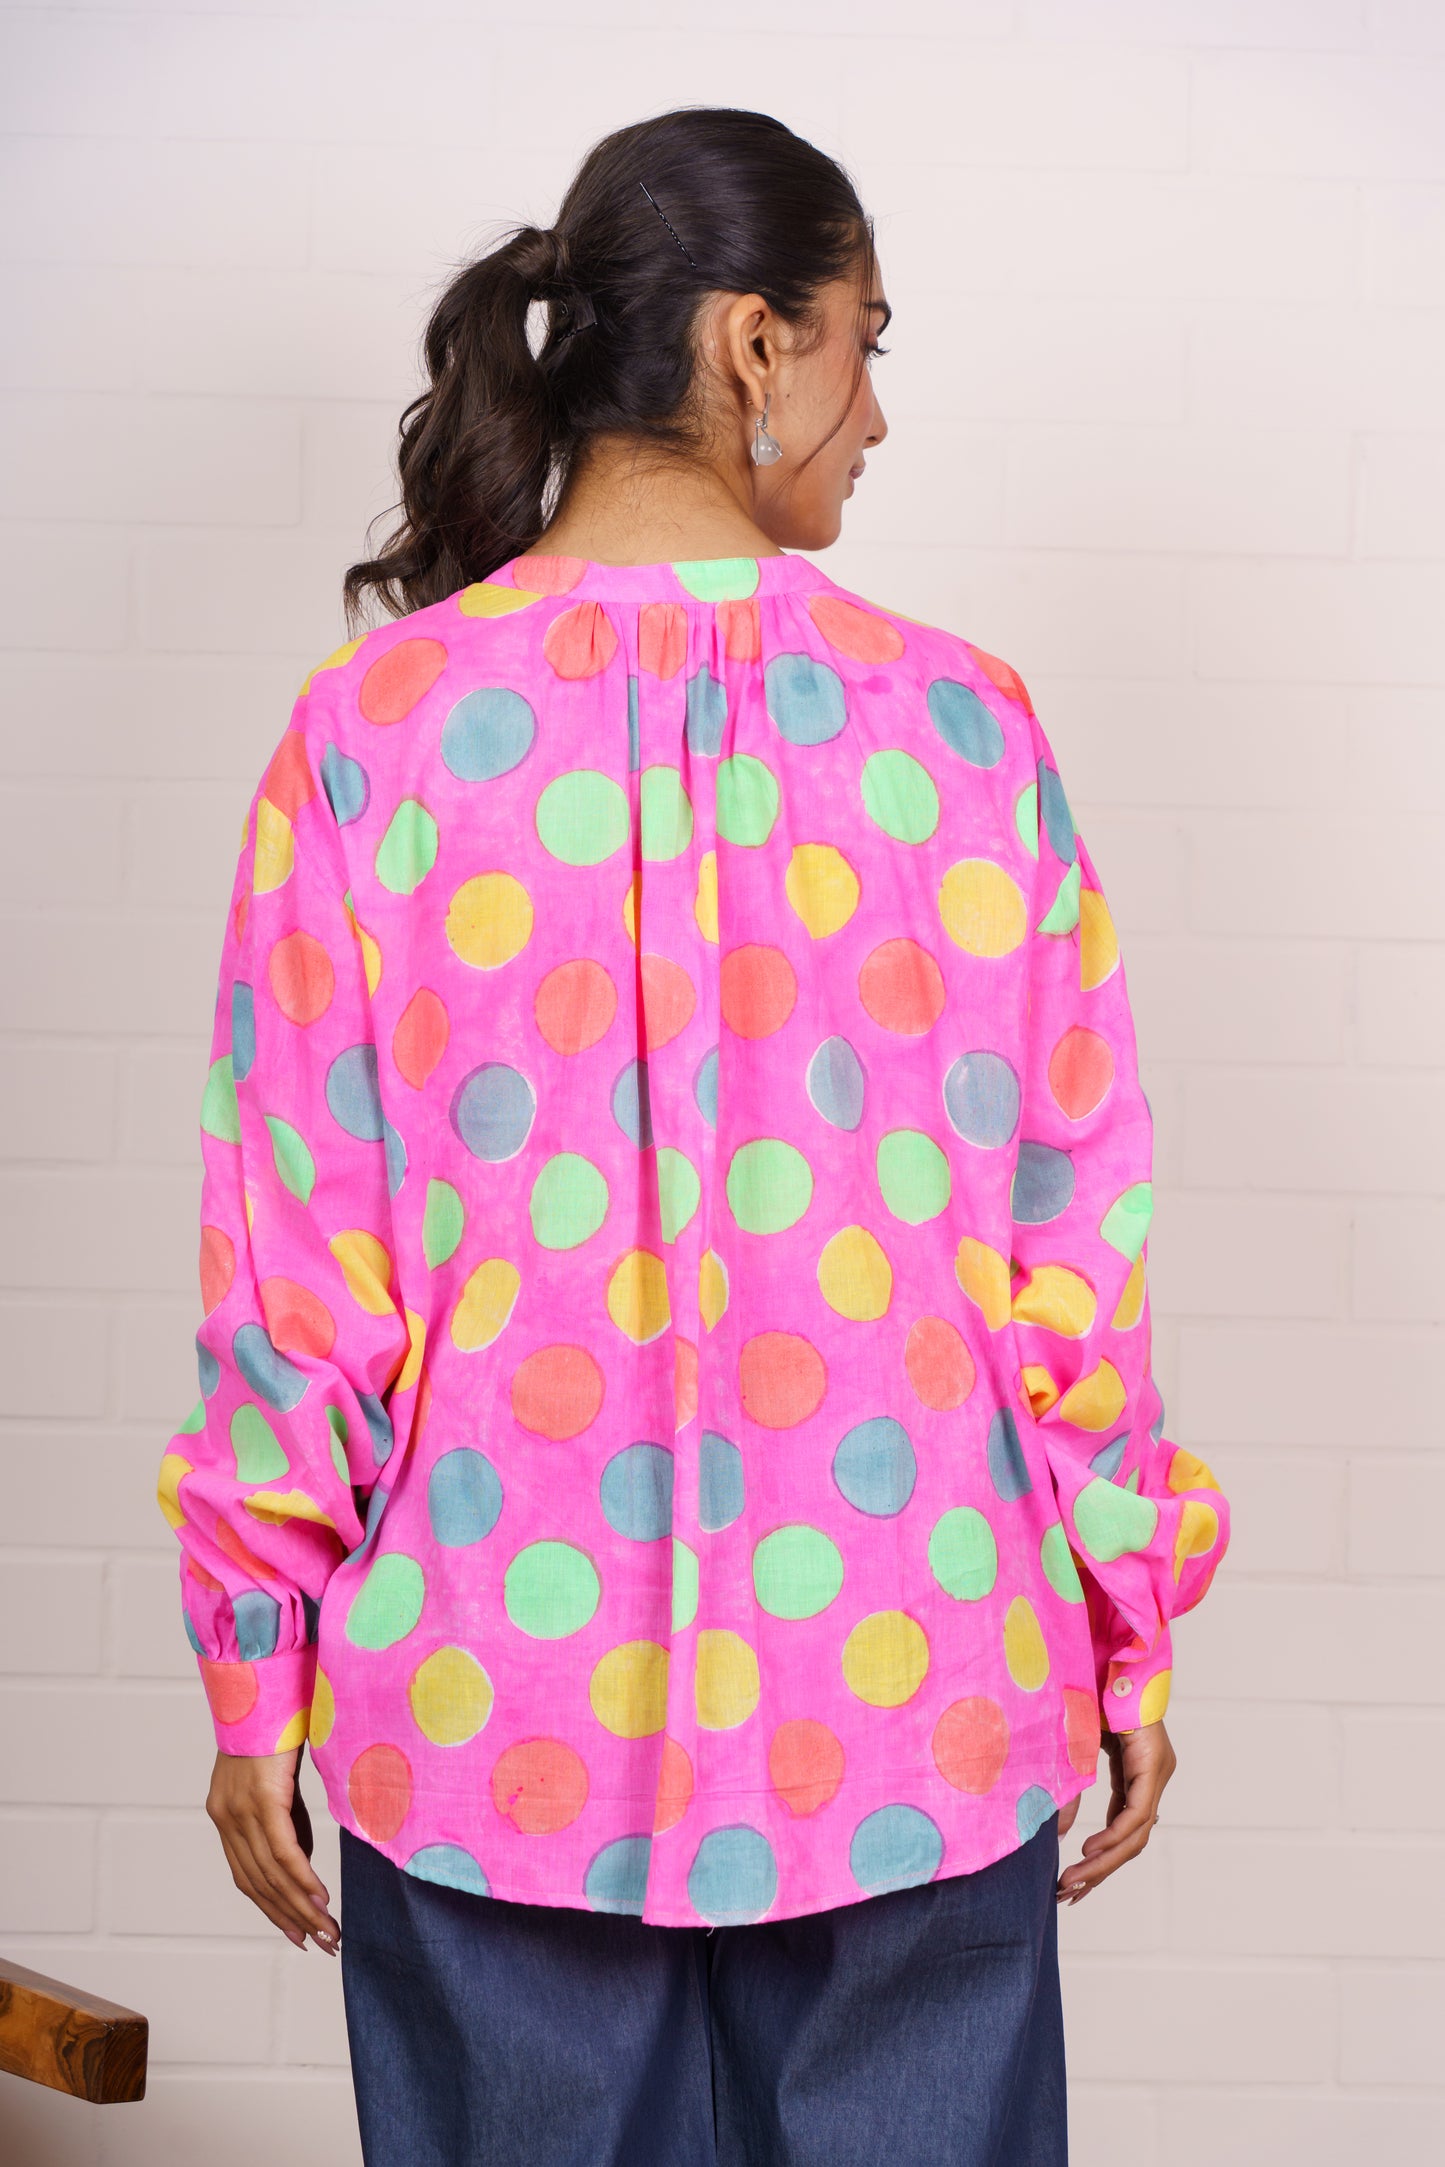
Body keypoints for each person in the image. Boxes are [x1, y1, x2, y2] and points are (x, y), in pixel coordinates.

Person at [155, 104, 1231, 2166]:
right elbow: (1068, 1246)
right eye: (863, 345)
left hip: (494, 1712)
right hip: (917, 1688)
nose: (876, 415)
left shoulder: (374, 737)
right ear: (754, 343)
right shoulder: (963, 730)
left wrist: (253, 1666)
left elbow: (299, 1271)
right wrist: (1125, 1615)